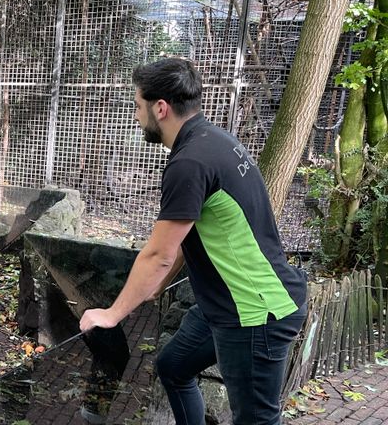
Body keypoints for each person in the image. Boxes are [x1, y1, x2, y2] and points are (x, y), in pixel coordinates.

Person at [78, 58, 308, 425]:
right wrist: (155, 289)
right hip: (223, 303)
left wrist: (111, 315)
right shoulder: (212, 140)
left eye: (138, 106)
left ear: (160, 108)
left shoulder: (190, 162)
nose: (137, 116)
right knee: (173, 367)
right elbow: (189, 237)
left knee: (257, 420)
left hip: (253, 312)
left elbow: (158, 255)